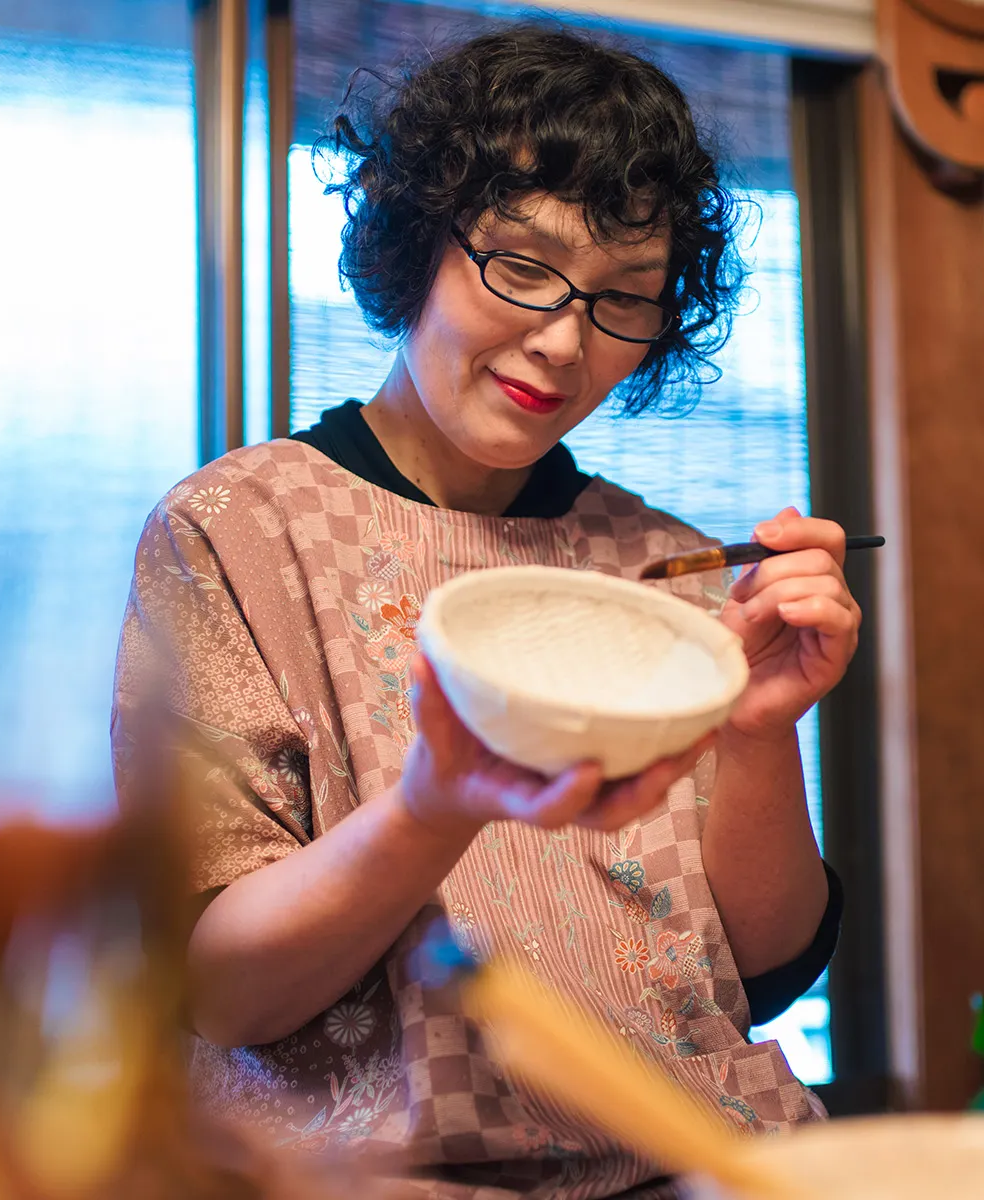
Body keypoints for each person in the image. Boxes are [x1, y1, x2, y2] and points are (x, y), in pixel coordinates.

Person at [112, 23, 862, 1198]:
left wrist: (762, 730)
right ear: (418, 242)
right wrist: (436, 804)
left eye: (625, 299)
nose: (564, 341)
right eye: (521, 267)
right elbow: (218, 988)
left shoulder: (665, 561)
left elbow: (762, 976)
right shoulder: (239, 530)